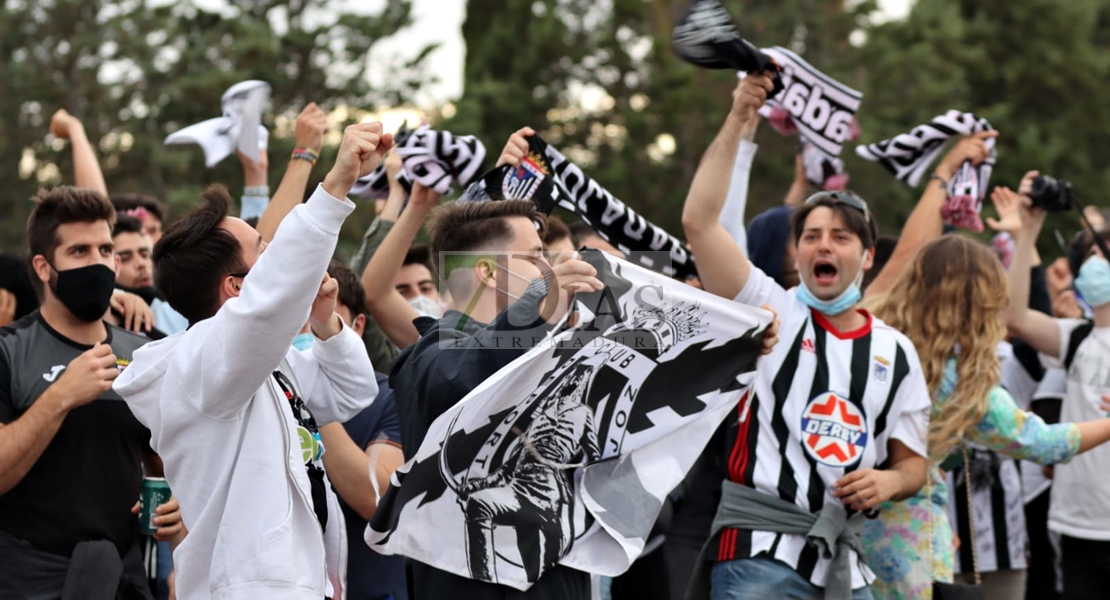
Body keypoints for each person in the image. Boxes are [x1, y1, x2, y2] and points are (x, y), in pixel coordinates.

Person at [682, 72, 931, 600]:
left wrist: (888, 482)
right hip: (759, 558)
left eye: (840, 237)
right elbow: (700, 223)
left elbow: (913, 464)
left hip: (846, 565)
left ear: (866, 256)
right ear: (796, 254)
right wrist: (739, 120)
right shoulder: (767, 308)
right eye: (811, 236)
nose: (824, 246)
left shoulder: (897, 351)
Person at [114, 123, 389, 600]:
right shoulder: (199, 366)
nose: (276, 255)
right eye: (265, 251)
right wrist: (336, 185)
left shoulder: (263, 364)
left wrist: (325, 323)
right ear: (237, 288)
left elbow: (351, 393)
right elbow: (272, 299)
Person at [860, 234, 1110, 600]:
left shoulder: (868, 336)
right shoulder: (959, 382)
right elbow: (1044, 443)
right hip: (908, 542)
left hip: (840, 527)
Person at [389, 196, 605, 600]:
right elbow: (458, 376)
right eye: (535, 257)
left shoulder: (548, 353)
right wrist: (538, 307)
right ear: (488, 272)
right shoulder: (429, 357)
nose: (548, 269)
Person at [0, 186, 183, 599]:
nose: (97, 263)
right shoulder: (8, 351)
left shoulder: (143, 354)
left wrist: (178, 505)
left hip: (123, 576)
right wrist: (61, 395)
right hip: (28, 578)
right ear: (45, 267)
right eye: (79, 252)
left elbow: (171, 462)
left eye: (104, 250)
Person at [1001, 181, 1110, 600]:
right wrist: (1028, 229)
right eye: (1092, 255)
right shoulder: (1076, 338)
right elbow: (1015, 317)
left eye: (1104, 254)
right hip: (1074, 524)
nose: (1094, 263)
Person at [315, 260, 408, 600]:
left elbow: (378, 499)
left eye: (322, 315)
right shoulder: (262, 393)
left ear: (357, 326)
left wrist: (311, 401)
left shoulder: (390, 397)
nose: (305, 328)